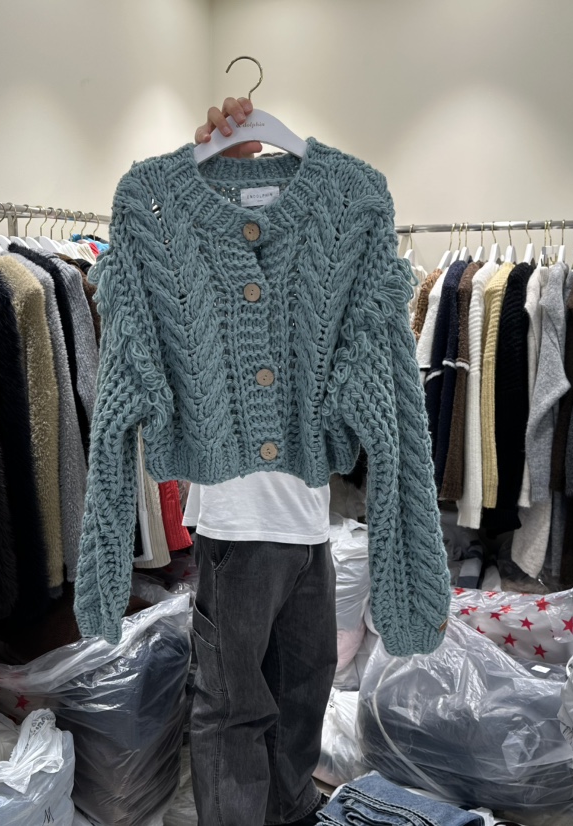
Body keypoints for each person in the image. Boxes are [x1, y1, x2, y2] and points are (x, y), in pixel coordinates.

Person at [185, 97, 337, 826]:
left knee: (305, 690)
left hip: (309, 516)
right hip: (238, 521)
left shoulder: (330, 233)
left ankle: (293, 813)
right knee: (234, 705)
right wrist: (204, 169)